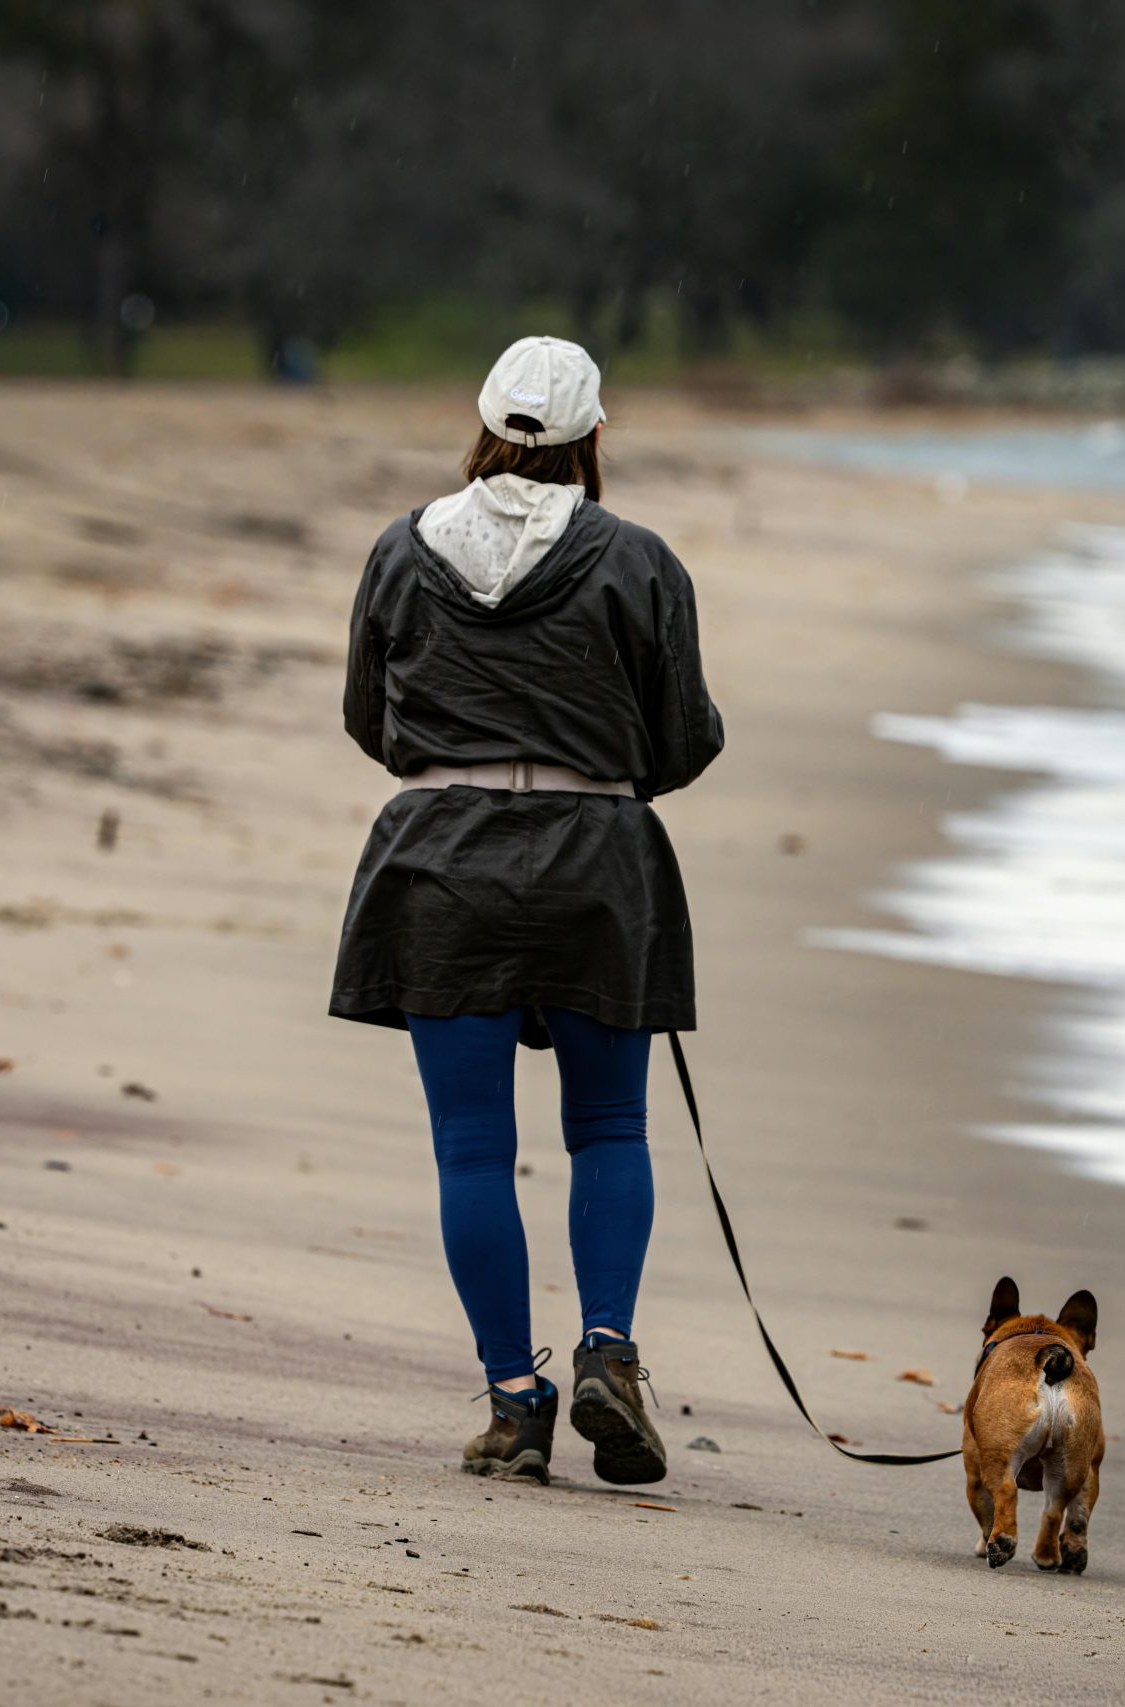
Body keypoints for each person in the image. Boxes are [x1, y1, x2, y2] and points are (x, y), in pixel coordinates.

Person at [330, 336, 723, 1484]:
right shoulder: (639, 561)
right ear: (594, 436)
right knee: (608, 1128)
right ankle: (607, 1348)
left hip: (439, 863)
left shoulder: (401, 551)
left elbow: (371, 718)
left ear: (486, 427)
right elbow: (686, 738)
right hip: (597, 863)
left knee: (471, 1152)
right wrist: (593, 770)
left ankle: (515, 1400)